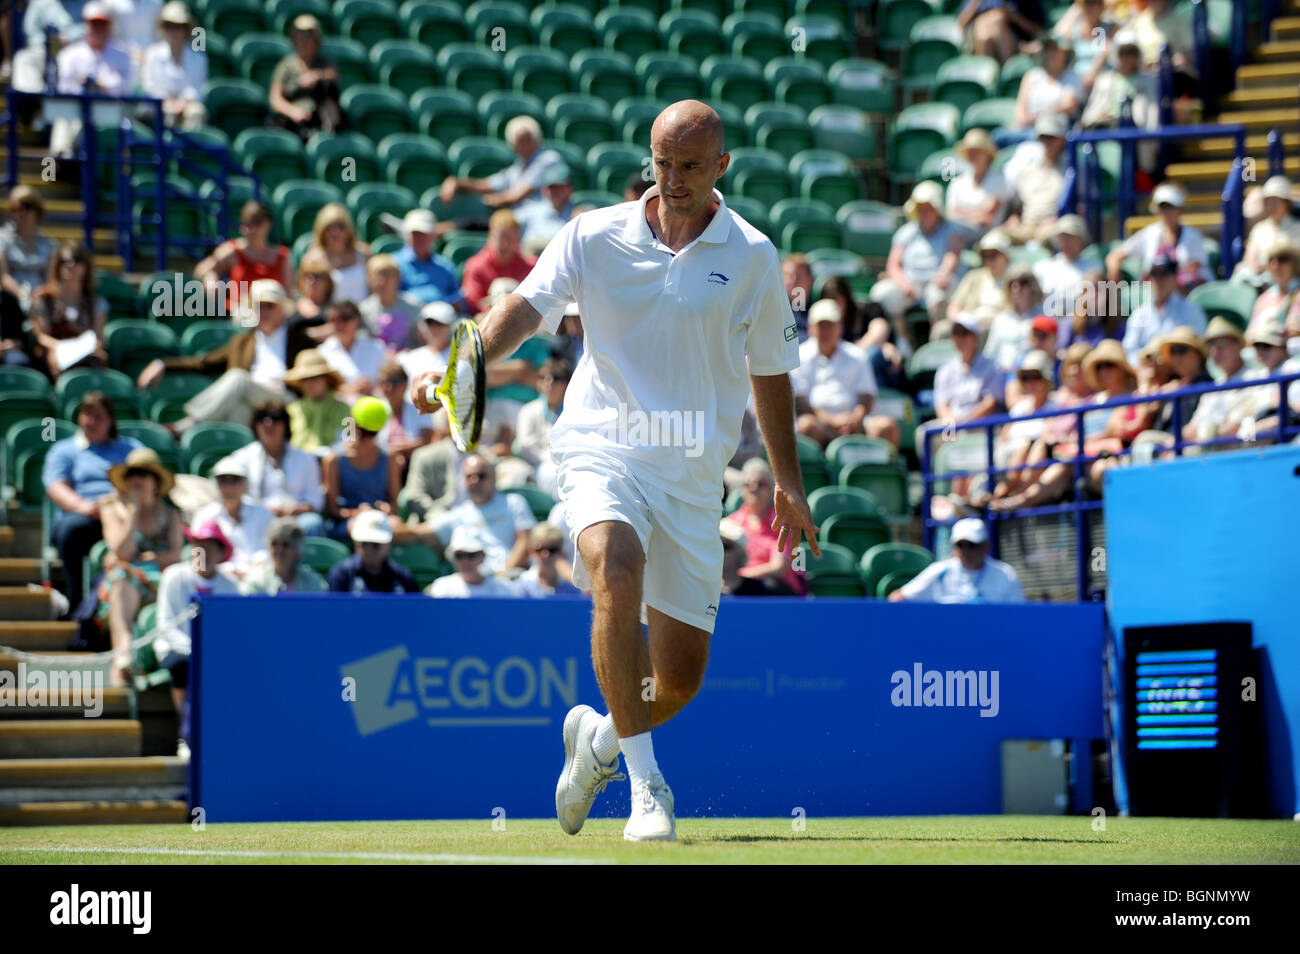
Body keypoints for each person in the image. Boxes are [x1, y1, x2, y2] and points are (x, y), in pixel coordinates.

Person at [411, 100, 817, 842]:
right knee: (614, 568)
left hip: (694, 477)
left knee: (680, 680)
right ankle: (646, 786)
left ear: (721, 166)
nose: (674, 179)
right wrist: (462, 362)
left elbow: (770, 372)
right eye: (663, 164)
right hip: (603, 445)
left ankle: (597, 742)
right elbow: (526, 309)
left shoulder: (753, 255)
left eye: (691, 166)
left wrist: (787, 482)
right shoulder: (593, 234)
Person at [138, 280, 313, 431]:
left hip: (284, 400)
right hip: (251, 401)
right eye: (259, 306)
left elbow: (313, 373)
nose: (264, 311)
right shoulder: (243, 342)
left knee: (238, 378)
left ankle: (190, 424)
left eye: (270, 306)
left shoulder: (299, 340)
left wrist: (286, 381)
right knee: (238, 409)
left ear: (282, 309)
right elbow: (204, 363)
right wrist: (163, 365)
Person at [43, 392, 141, 611]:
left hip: (124, 516)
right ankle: (76, 606)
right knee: (69, 530)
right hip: (86, 519)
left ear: (111, 420)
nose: (91, 422)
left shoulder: (131, 449)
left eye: (99, 416)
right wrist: (85, 507)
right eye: (87, 415)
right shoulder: (63, 450)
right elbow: (55, 486)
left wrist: (118, 506)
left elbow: (148, 473)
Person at [152, 519, 241, 759]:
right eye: (198, 546)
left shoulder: (230, 586)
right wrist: (197, 650)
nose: (203, 553)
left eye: (210, 547)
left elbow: (231, 632)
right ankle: (187, 735)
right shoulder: (173, 576)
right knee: (184, 666)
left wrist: (211, 652)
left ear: (221, 553)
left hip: (214, 654)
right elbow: (166, 626)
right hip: (176, 650)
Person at [97, 448, 182, 686]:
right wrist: (133, 511)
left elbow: (176, 554)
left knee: (123, 573)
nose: (138, 480)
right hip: (125, 581)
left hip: (161, 580)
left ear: (155, 481)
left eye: (145, 474)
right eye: (133, 473)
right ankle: (122, 657)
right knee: (121, 576)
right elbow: (122, 551)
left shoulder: (169, 513)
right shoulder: (112, 509)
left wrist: (149, 558)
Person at [792, 299, 899, 448]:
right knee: (806, 426)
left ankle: (880, 471)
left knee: (886, 427)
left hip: (855, 425)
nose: (825, 331)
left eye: (830, 325)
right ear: (811, 328)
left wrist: (853, 419)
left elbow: (867, 397)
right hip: (820, 426)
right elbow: (800, 402)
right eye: (821, 326)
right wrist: (832, 421)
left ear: (840, 327)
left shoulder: (856, 355)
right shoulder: (799, 356)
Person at [870, 180, 963, 326]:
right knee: (882, 293)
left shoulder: (951, 230)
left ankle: (937, 339)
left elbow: (952, 255)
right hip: (911, 283)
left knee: (938, 295)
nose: (924, 213)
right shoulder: (906, 232)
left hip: (937, 282)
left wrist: (943, 275)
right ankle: (903, 341)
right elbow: (893, 265)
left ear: (937, 210)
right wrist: (904, 284)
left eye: (928, 208)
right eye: (921, 208)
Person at [424, 454, 535, 574]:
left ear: (493, 477)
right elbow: (418, 532)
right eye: (469, 476)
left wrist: (504, 575)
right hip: (474, 583)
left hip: (512, 579)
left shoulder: (513, 502)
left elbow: (525, 541)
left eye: (481, 476)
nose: (475, 481)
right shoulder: (459, 514)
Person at [227, 399, 325, 536]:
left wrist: (298, 509)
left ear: (285, 425)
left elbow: (315, 497)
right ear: (255, 425)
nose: (269, 424)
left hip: (296, 519)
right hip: (257, 518)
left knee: (313, 523)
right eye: (262, 419)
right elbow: (236, 496)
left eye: (276, 419)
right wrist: (263, 509)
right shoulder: (242, 458)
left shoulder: (305, 458)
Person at [51, 3, 133, 158]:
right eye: (94, 24)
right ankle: (60, 161)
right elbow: (64, 87)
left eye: (102, 25)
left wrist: (103, 86)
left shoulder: (122, 54)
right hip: (79, 108)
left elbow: (126, 86)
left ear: (109, 26)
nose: (98, 29)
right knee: (66, 115)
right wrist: (85, 87)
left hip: (111, 109)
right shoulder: (70, 54)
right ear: (86, 25)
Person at [439, 115, 564, 211]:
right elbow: (487, 184)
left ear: (537, 139)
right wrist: (458, 183)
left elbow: (518, 195)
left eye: (528, 140)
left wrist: (490, 200)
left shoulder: (549, 159)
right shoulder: (517, 168)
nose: (524, 145)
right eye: (519, 141)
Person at [722, 458, 807, 596]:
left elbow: (779, 567)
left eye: (761, 484)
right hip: (741, 587)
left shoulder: (782, 524)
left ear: (771, 489)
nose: (754, 488)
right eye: (748, 484)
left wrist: (742, 576)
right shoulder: (732, 523)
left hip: (776, 588)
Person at [889, 518, 1024, 603]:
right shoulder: (939, 571)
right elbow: (897, 598)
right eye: (960, 545)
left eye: (972, 545)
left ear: (986, 547)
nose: (966, 551)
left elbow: (1017, 616)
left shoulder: (1005, 574)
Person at [28, 241, 108, 380]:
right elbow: (41, 337)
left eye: (77, 260)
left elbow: (98, 339)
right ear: (57, 266)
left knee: (98, 359)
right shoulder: (43, 298)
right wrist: (61, 348)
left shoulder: (96, 303)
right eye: (64, 261)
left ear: (86, 266)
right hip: (52, 354)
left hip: (85, 355)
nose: (70, 264)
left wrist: (80, 349)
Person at [1107, 183, 1207, 293]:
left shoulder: (1193, 236)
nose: (1166, 211)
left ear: (1179, 209)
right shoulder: (1149, 232)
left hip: (1182, 292)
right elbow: (1114, 257)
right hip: (1153, 291)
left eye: (1170, 206)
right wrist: (1114, 275)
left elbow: (1195, 268)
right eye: (1162, 207)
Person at [195, 201, 292, 313]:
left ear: (268, 224)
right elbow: (202, 269)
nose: (251, 229)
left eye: (257, 222)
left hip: (273, 316)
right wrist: (210, 278)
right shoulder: (232, 250)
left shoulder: (282, 256)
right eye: (246, 223)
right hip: (241, 315)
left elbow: (288, 296)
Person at [323, 395, 391, 540]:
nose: (367, 438)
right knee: (363, 528)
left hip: (381, 521)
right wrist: (356, 513)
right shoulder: (333, 459)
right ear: (352, 425)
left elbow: (394, 505)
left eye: (372, 433)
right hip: (347, 524)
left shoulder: (390, 458)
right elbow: (333, 509)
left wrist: (384, 510)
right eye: (363, 431)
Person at [192, 456, 273, 577]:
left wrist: (252, 572)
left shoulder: (262, 513)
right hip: (215, 579)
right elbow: (199, 556)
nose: (229, 487)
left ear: (245, 484)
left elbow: (270, 551)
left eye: (235, 480)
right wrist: (222, 572)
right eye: (223, 480)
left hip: (257, 580)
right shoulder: (204, 515)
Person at [269, 14, 343, 142]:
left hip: (318, 117)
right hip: (294, 120)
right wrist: (293, 112)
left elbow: (334, 76)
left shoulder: (324, 63)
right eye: (300, 37)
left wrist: (317, 76)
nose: (303, 42)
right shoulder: (286, 65)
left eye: (308, 38)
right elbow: (275, 98)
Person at [1121, 254, 1207, 360]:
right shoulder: (1139, 314)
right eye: (1154, 274)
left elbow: (1198, 351)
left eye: (1164, 273)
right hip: (1147, 372)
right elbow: (1130, 350)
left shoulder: (1191, 311)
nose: (1158, 279)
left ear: (1175, 278)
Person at [1002, 112, 1069, 245]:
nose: (1047, 142)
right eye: (1043, 137)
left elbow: (1080, 208)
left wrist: (1057, 220)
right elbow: (1016, 206)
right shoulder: (1027, 171)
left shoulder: (1071, 171)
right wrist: (1014, 219)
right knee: (994, 240)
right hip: (1027, 225)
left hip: (1055, 225)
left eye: (1052, 137)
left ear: (1062, 140)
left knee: (1052, 238)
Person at [1184, 317, 1250, 446]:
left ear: (1239, 345)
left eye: (1221, 346)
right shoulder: (1214, 386)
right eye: (1211, 348)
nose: (1215, 353)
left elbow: (1237, 426)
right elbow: (1194, 426)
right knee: (1148, 441)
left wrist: (1205, 441)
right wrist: (1174, 440)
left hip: (1229, 449)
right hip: (1204, 448)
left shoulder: (1254, 379)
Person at [139, 2, 205, 129]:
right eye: (169, 26)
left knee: (197, 112)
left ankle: (190, 148)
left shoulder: (199, 58)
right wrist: (168, 102)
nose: (173, 31)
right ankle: (166, 148)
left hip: (186, 104)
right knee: (167, 112)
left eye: (177, 27)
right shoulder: (152, 54)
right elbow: (150, 86)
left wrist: (183, 103)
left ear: (185, 29)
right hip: (159, 105)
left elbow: (196, 88)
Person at [326, 509, 418, 594]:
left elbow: (416, 609)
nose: (369, 550)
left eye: (376, 544)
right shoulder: (341, 575)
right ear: (356, 543)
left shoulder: (403, 577)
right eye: (364, 543)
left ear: (389, 544)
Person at [461, 210, 538, 311]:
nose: (504, 244)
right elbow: (474, 304)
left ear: (517, 238)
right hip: (487, 320)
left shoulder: (532, 266)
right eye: (500, 238)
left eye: (509, 239)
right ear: (490, 237)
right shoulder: (476, 266)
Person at [0, 185, 58, 316]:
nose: (20, 213)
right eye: (14, 209)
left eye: (26, 206)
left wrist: (39, 295)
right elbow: (3, 277)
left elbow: (51, 282)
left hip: (41, 304)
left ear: (37, 209)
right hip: (9, 302)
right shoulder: (2, 239)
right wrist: (24, 296)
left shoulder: (50, 244)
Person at [515, 357, 569, 495]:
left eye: (555, 378)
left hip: (569, 462)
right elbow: (526, 448)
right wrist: (554, 459)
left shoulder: (573, 412)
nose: (548, 382)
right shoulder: (528, 411)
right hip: (541, 467)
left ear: (566, 384)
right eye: (543, 377)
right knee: (553, 475)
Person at [945, 129, 1009, 244]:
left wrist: (961, 213)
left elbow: (987, 217)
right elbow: (950, 213)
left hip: (988, 236)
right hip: (957, 232)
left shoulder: (999, 179)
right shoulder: (957, 182)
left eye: (977, 151)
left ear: (987, 154)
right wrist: (976, 213)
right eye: (970, 151)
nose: (973, 155)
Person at [1234, 177, 1300, 287]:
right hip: (1260, 280)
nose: (1271, 206)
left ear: (1286, 203)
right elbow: (1250, 258)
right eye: (1268, 201)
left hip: (1290, 283)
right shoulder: (1259, 229)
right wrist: (1256, 267)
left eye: (1275, 201)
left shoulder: (1297, 227)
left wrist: (1276, 267)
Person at [1034, 215, 1102, 320]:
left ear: (1082, 240)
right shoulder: (1042, 267)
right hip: (1047, 325)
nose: (1067, 242)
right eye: (1063, 238)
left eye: (1071, 238)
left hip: (1078, 325)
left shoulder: (1094, 267)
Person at [239, 516, 328, 595]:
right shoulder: (255, 581)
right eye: (274, 544)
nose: (279, 550)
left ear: (297, 549)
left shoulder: (313, 582)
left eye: (286, 545)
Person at [428, 525, 523, 598]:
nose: (465, 561)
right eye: (459, 556)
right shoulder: (443, 587)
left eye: (471, 555)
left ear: (483, 556)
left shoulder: (503, 589)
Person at [394, 209, 464, 308]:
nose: (419, 238)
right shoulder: (394, 264)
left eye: (423, 234)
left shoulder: (446, 266)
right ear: (407, 236)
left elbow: (457, 302)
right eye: (415, 234)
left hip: (443, 319)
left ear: (433, 236)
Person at [284, 348, 350, 453]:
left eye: (314, 377)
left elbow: (350, 443)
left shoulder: (346, 410)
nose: (309, 383)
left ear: (327, 379)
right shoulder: (292, 410)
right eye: (304, 379)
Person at [317, 300, 385, 400]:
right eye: (334, 320)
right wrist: (346, 390)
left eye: (344, 318)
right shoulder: (322, 352)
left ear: (357, 320)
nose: (339, 324)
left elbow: (387, 382)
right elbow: (319, 389)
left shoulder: (376, 347)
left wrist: (373, 387)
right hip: (338, 412)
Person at [1013, 34, 1083, 130]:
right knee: (1000, 135)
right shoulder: (1032, 76)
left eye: (1055, 50)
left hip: (1058, 130)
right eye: (1048, 50)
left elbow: (1068, 106)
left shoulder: (1073, 77)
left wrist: (1036, 117)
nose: (1051, 54)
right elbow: (1021, 112)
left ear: (1065, 53)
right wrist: (1027, 120)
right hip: (1029, 128)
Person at [983, 264, 1044, 374]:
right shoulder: (1001, 320)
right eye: (1012, 284)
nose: (1017, 288)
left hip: (1031, 377)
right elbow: (990, 354)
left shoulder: (1043, 317)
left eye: (1022, 283)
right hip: (1001, 376)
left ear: (1032, 286)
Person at [947, 229, 1012, 329]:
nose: (989, 260)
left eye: (993, 255)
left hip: (998, 327)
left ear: (1005, 257)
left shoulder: (1013, 281)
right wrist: (960, 321)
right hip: (969, 329)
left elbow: (1013, 313)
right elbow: (955, 306)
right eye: (985, 256)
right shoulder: (973, 277)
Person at [360, 253, 423, 352]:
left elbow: (421, 342)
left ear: (398, 278)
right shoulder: (363, 309)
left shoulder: (413, 305)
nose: (381, 282)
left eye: (387, 275)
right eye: (376, 276)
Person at [309, 204, 369, 304]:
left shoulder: (364, 253)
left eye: (341, 226)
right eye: (329, 227)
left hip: (363, 316)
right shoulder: (313, 259)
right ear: (322, 231)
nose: (335, 232)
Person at [957, 0, 1044, 64]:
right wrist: (976, 4)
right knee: (985, 27)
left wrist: (1013, 16)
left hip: (1017, 44)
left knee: (997, 19)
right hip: (979, 42)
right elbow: (961, 24)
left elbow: (1038, 30)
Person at [1248, 238, 1300, 335]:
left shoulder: (1298, 296)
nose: (1275, 265)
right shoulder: (1262, 299)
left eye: (1282, 259)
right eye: (1271, 260)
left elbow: (1295, 331)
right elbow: (1250, 335)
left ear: (1295, 264)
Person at [516, 164, 575, 245]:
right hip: (534, 255)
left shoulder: (578, 213)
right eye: (552, 188)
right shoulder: (531, 211)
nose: (556, 191)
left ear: (569, 189)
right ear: (544, 190)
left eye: (560, 187)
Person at [515, 523, 579, 597]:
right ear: (531, 552)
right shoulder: (520, 587)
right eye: (540, 550)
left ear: (562, 552)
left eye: (552, 550)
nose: (546, 555)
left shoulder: (574, 589)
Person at [782, 253, 814, 340]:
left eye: (799, 276)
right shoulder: (772, 310)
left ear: (810, 280)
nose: (793, 280)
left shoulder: (820, 310)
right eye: (788, 276)